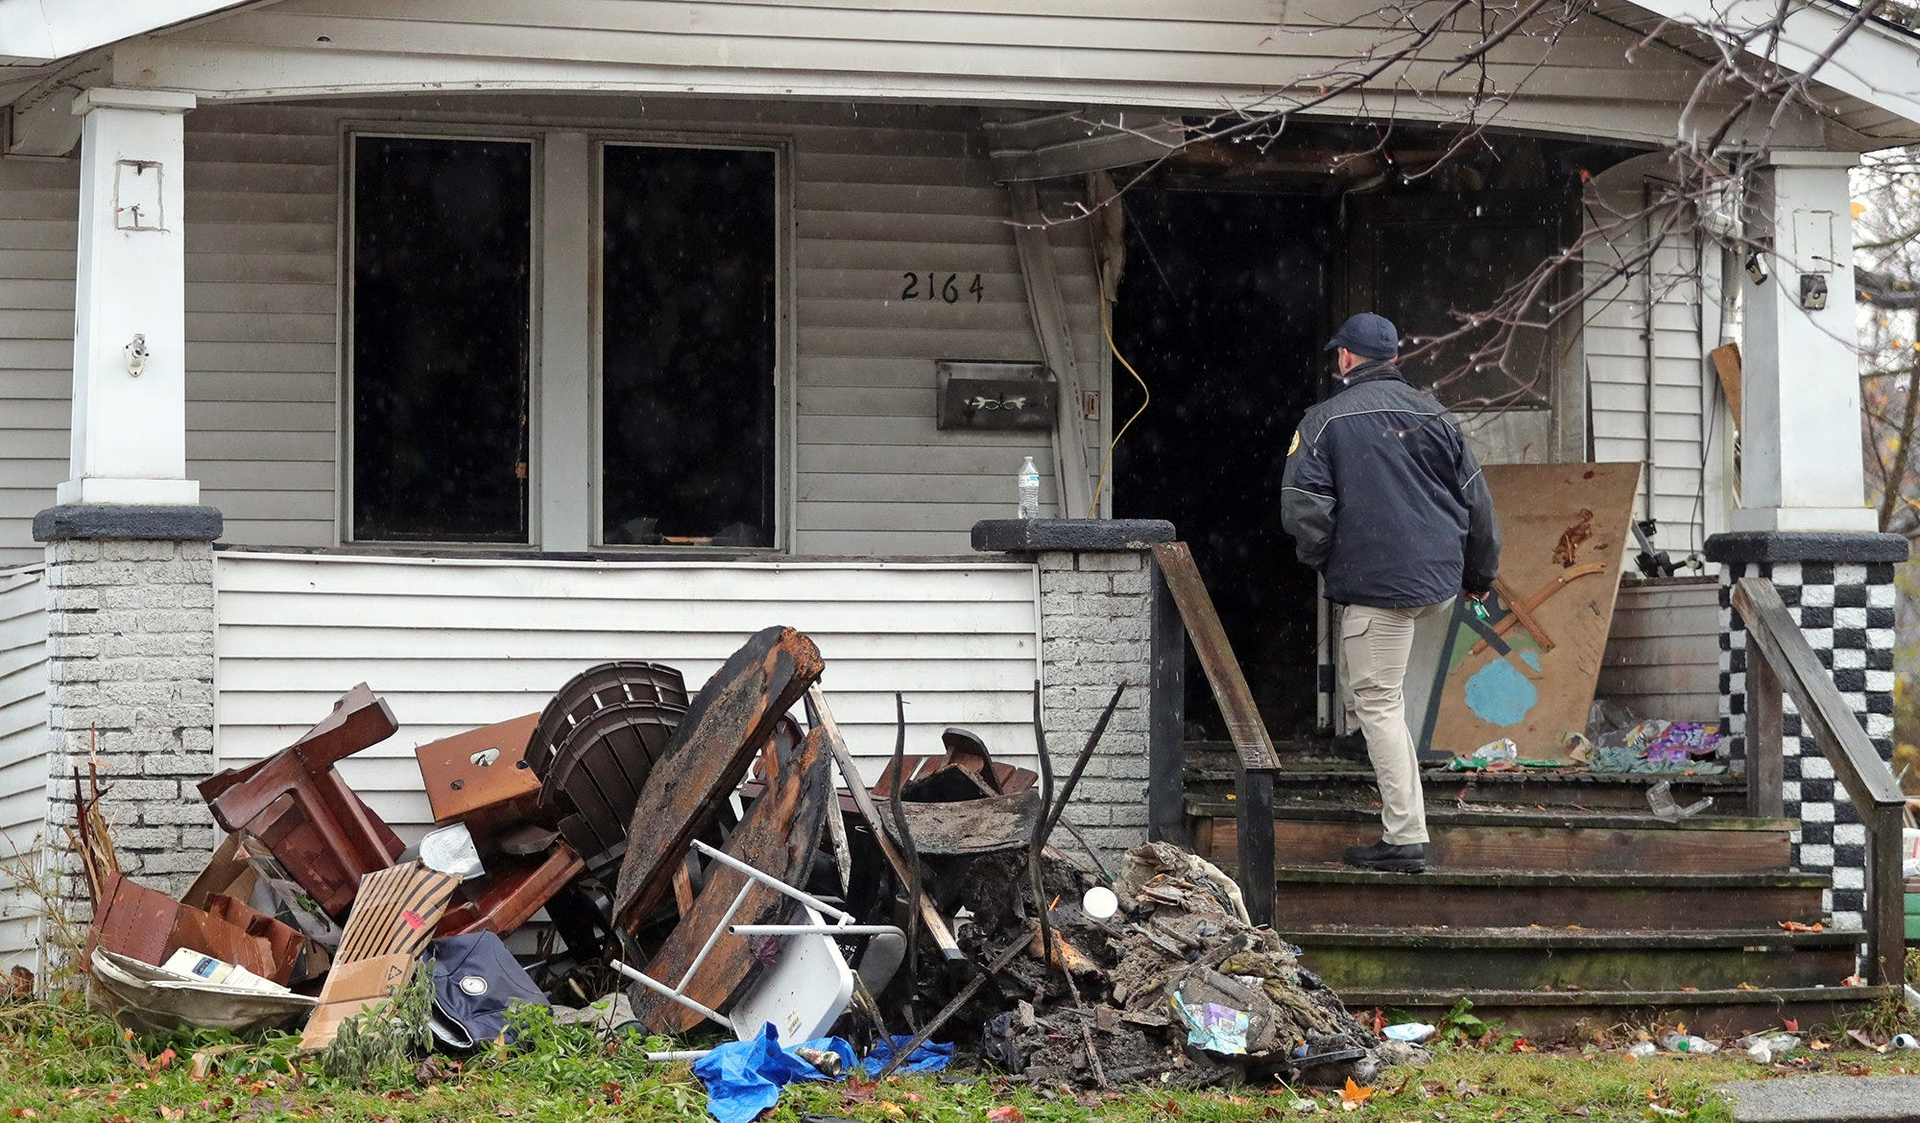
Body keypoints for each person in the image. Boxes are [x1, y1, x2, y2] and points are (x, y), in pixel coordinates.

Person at [1280, 312, 1500, 873]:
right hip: (1440, 582)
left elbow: (1304, 509)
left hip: (1381, 587)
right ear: (1395, 359)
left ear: (1346, 358)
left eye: (1340, 355)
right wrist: (1479, 577)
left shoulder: (1324, 421)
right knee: (1385, 689)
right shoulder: (1439, 416)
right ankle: (1375, 745)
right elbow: (1479, 505)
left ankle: (1404, 835)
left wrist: (1327, 561)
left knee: (1378, 700)